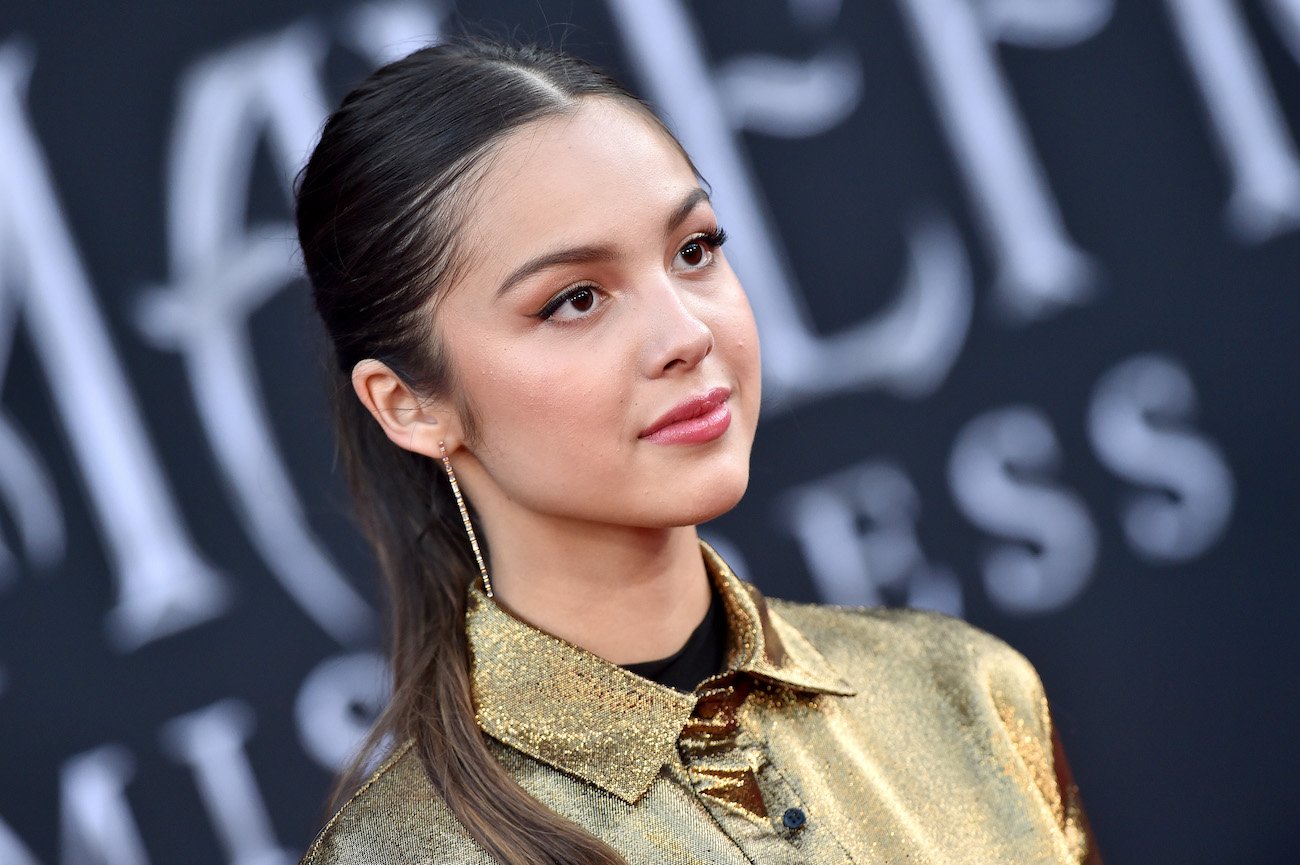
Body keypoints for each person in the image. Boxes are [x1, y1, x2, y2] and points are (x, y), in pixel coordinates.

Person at [294, 39, 1099, 865]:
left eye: (694, 250)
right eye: (575, 299)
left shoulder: (961, 691)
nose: (686, 333)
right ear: (409, 405)